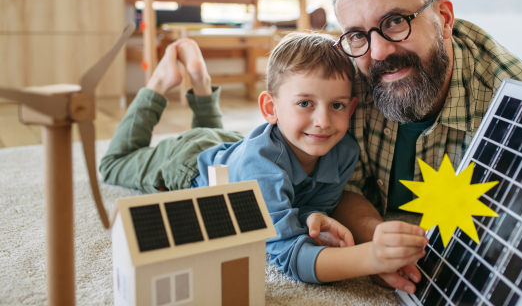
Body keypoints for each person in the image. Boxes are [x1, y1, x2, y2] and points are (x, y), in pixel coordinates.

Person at [324, 0, 522, 305]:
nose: (379, 52)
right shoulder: (347, 78)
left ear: (444, 19)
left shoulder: (515, 99)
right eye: (359, 34)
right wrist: (375, 240)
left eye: (395, 21)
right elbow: (337, 186)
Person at [99, 33, 428, 285]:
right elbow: (287, 254)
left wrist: (314, 217)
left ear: (351, 108)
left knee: (229, 152)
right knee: (114, 164)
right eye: (305, 104)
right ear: (270, 108)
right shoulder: (262, 167)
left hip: (233, 151)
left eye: (337, 105)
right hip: (185, 163)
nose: (323, 122)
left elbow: (314, 204)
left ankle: (201, 84)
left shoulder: (343, 153)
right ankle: (160, 84)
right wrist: (368, 257)